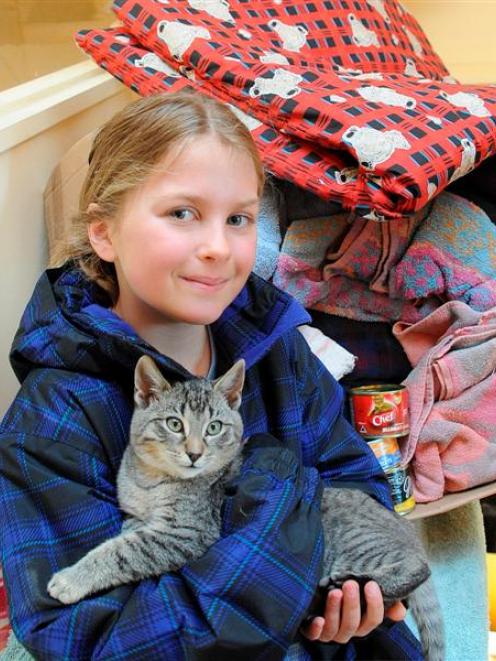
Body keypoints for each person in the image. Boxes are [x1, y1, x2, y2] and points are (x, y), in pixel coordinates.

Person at [0, 91, 421, 660]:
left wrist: (351, 592)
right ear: (103, 232)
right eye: (182, 213)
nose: (218, 247)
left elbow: (351, 476)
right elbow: (88, 639)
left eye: (239, 218)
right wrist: (279, 503)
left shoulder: (279, 352)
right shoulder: (52, 419)